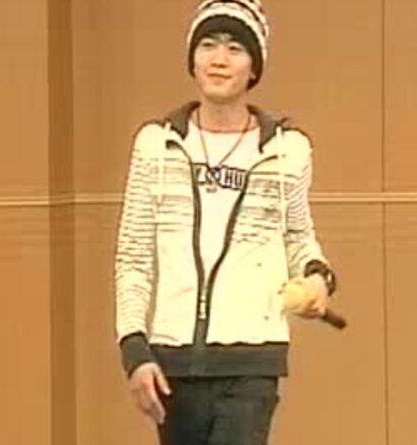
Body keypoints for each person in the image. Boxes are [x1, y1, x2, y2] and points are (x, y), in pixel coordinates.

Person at [113, 1, 338, 444]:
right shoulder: (156, 146)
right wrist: (134, 349)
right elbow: (133, 255)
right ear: (192, 59)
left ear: (254, 66)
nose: (219, 59)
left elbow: (299, 237)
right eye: (208, 45)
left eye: (235, 48)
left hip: (252, 360)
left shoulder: (287, 151)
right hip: (173, 360)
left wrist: (318, 278)